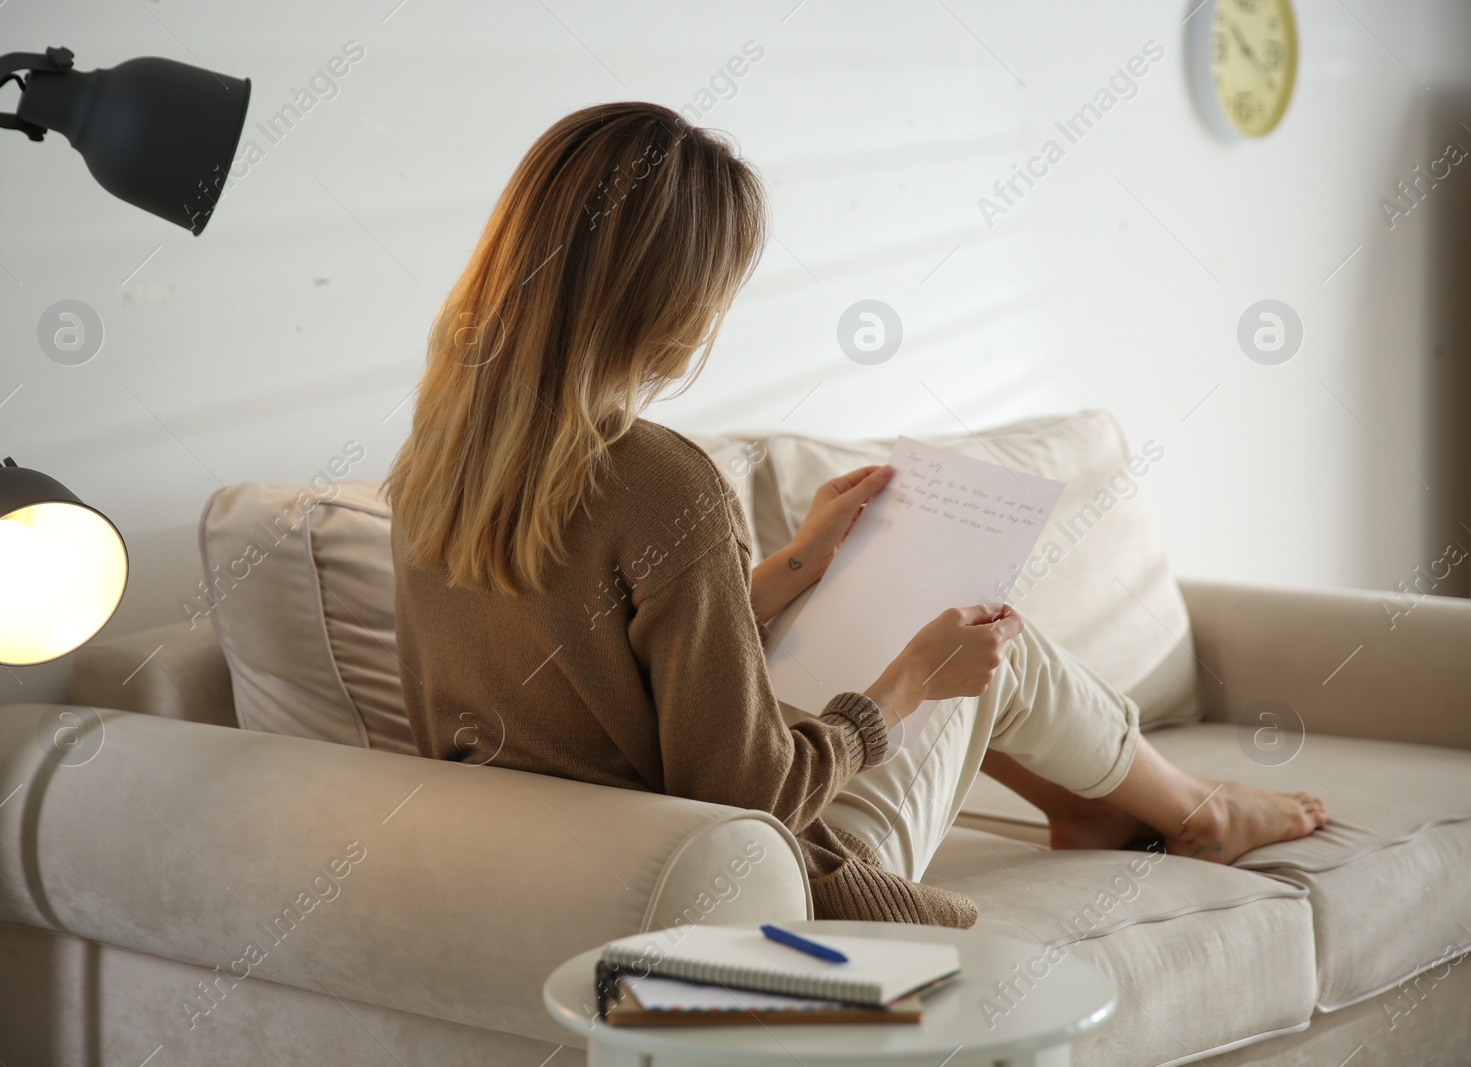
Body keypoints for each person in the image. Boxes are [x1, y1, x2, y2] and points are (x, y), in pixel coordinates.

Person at [384, 101, 1327, 926]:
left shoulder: (436, 471)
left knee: (923, 627)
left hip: (577, 873)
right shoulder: (663, 480)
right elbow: (746, 794)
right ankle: (1197, 812)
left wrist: (794, 566)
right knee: (983, 640)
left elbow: (596, 668)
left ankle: (1116, 808)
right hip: (742, 878)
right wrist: (907, 685)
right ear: (671, 299)